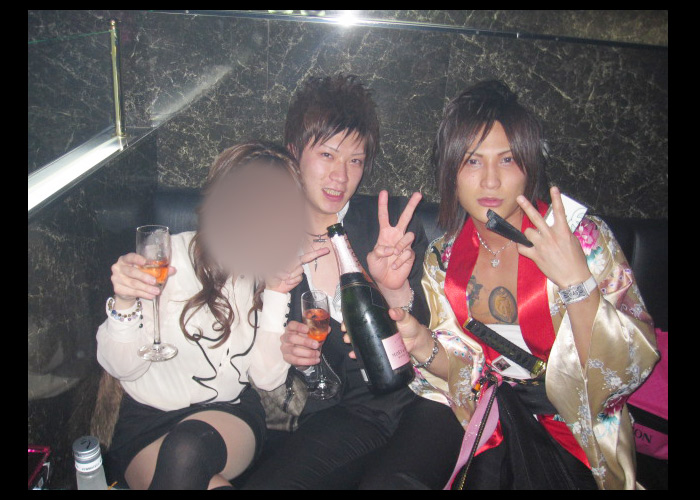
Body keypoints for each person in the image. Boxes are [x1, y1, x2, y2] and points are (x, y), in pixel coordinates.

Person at [388, 80, 659, 489]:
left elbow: (628, 368)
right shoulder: (443, 258)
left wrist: (575, 282)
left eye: (508, 160)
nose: (490, 181)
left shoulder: (580, 237)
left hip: (577, 434)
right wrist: (421, 342)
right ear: (450, 171)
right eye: (472, 161)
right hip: (492, 425)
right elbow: (464, 371)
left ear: (530, 165)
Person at [240, 74, 465, 490]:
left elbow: (438, 333)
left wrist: (392, 288)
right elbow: (250, 358)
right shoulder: (267, 241)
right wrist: (288, 353)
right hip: (340, 416)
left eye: (355, 161)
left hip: (423, 400)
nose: (340, 176)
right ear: (294, 152)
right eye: (327, 154)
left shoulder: (388, 227)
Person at [96, 141, 327, 490]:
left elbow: (266, 379)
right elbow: (122, 367)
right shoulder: (167, 256)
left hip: (228, 415)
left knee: (188, 447)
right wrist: (125, 301)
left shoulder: (273, 273)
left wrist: (276, 294)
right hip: (146, 418)